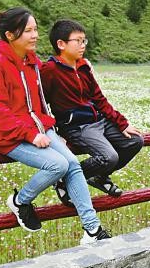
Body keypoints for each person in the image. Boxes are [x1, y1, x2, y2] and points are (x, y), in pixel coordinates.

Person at [0, 7, 111, 243]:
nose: (36, 35)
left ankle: (93, 230)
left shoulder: (31, 61)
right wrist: (30, 134)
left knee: (73, 164)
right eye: (28, 31)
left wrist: (79, 64)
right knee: (58, 165)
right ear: (10, 35)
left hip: (38, 128)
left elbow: (50, 83)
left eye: (36, 29)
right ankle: (20, 201)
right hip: (8, 135)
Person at [40, 19, 143, 202]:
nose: (83, 45)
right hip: (78, 127)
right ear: (61, 44)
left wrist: (122, 123)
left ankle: (100, 177)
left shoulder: (82, 66)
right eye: (78, 41)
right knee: (108, 157)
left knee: (135, 141)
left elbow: (99, 98)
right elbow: (41, 103)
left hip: (98, 120)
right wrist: (54, 132)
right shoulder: (50, 70)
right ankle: (65, 179)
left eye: (84, 41)